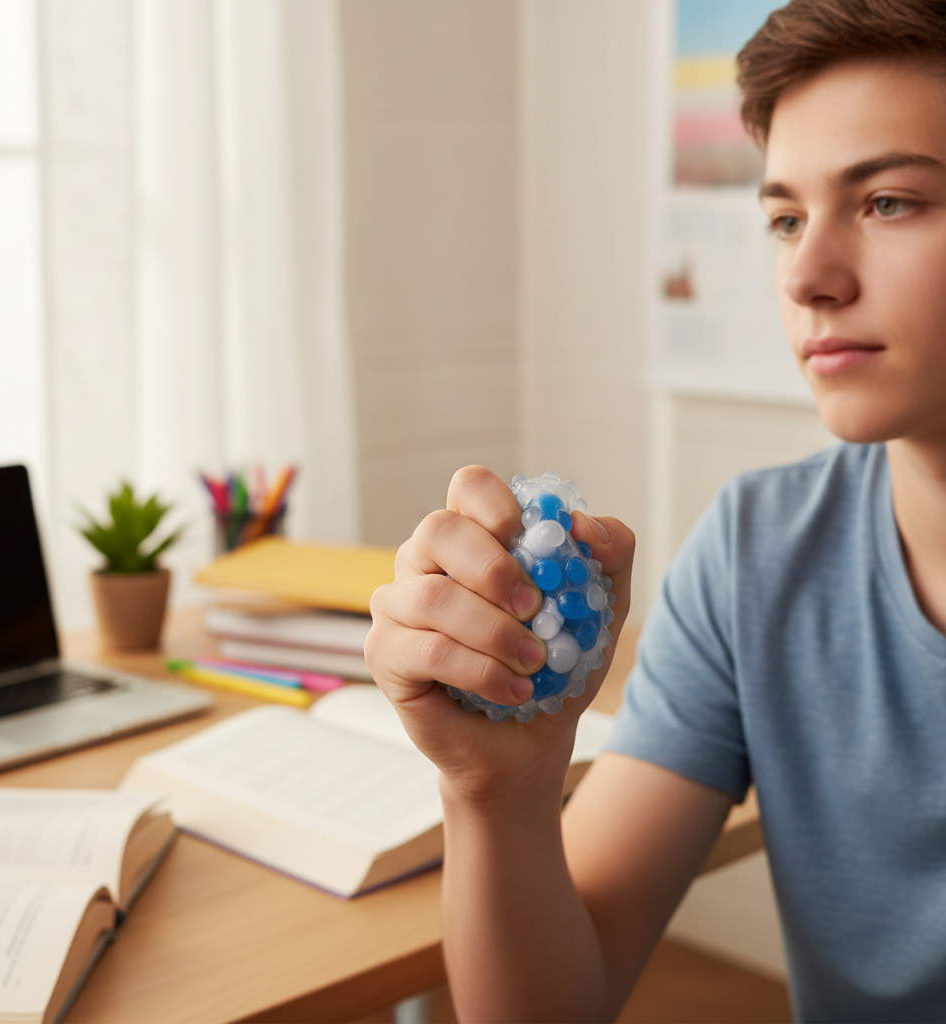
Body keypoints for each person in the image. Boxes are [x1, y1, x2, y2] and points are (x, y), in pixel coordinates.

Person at [364, 0, 946, 1019]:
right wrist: (498, 790)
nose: (807, 276)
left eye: (889, 202)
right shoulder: (756, 551)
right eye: (783, 219)